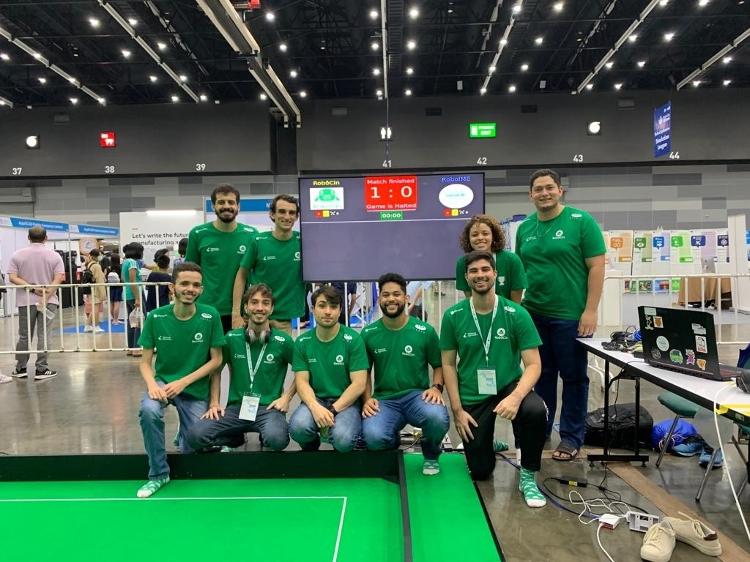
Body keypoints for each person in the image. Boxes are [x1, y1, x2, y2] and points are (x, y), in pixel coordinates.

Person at [440, 251, 547, 507]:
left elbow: (533, 365)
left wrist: (516, 397)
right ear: (466, 277)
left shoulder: (516, 313)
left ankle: (528, 477)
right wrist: (457, 409)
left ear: (495, 274)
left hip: (508, 384)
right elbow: (447, 364)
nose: (480, 275)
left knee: (534, 410)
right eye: (474, 271)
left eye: (485, 269)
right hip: (472, 390)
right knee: (480, 471)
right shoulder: (453, 316)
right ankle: (488, 444)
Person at [515, 169, 606, 461]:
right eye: (538, 189)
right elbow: (521, 271)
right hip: (534, 314)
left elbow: (596, 267)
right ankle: (541, 428)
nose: (544, 193)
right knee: (540, 376)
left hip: (570, 317)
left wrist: (590, 310)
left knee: (574, 378)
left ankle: (570, 437)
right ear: (530, 195)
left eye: (549, 188)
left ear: (560, 190)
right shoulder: (526, 228)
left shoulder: (581, 222)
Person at [136, 262, 225, 498]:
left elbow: (216, 360)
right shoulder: (155, 317)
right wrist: (153, 386)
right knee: (149, 411)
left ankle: (185, 433)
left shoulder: (210, 315)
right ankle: (158, 474)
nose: (190, 289)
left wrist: (184, 382)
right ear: (172, 287)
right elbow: (144, 362)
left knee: (193, 444)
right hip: (163, 384)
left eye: (196, 285)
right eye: (184, 283)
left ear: (202, 290)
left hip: (194, 388)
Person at [187, 283, 295, 452]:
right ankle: (235, 437)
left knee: (277, 439)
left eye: (265, 303)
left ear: (272, 309)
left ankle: (262, 433)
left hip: (268, 408)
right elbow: (216, 369)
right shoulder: (231, 338)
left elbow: (303, 372)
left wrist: (286, 398)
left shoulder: (284, 341)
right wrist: (214, 403)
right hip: (236, 408)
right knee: (195, 436)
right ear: (245, 307)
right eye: (254, 302)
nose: (259, 308)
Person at [361, 273, 448, 475]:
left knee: (437, 418)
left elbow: (439, 365)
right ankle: (391, 441)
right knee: (373, 437)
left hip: (417, 397)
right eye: (385, 295)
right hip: (385, 400)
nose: (391, 299)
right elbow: (364, 373)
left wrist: (436, 388)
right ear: (380, 299)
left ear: (406, 297)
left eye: (396, 294)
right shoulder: (368, 333)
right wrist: (367, 399)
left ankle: (431, 454)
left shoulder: (424, 331)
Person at [289, 285, 368, 452]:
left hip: (348, 403)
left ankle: (347, 434)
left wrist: (332, 410)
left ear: (340, 311)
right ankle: (311, 447)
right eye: (322, 305)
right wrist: (314, 406)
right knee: (298, 428)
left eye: (333, 307)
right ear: (313, 309)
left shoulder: (353, 340)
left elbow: (359, 384)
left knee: (342, 440)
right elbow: (301, 382)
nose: (327, 311)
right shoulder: (302, 342)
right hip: (316, 399)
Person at [186, 184, 257, 333]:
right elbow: (189, 273)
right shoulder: (198, 234)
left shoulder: (251, 235)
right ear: (213, 206)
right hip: (205, 310)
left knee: (235, 356)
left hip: (240, 313)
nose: (226, 206)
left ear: (238, 206)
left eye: (231, 202)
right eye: (221, 202)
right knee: (207, 356)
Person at [232, 194, 304, 335]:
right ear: (272, 214)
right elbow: (241, 276)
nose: (287, 216)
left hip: (283, 320)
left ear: (296, 217)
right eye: (282, 211)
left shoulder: (303, 242)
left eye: (292, 213)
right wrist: (236, 314)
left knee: (281, 357)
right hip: (255, 316)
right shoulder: (258, 241)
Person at [7, 225, 65, 381]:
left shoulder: (17, 255)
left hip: (25, 301)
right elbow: (58, 278)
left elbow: (12, 277)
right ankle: (41, 368)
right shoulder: (54, 256)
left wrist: (33, 289)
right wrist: (46, 296)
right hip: (50, 301)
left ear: (28, 237)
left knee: (24, 335)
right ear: (46, 238)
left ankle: (21, 368)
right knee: (44, 334)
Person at [455, 214, 526, 303]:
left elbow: (516, 305)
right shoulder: (462, 263)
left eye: (485, 234)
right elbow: (470, 301)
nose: (480, 238)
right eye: (474, 235)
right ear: (468, 238)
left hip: (507, 315)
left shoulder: (512, 260)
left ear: (493, 236)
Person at [122, 242, 145, 357]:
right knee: (139, 320)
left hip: (126, 293)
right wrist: (137, 297)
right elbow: (133, 281)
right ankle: (137, 348)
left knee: (131, 321)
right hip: (135, 293)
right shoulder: (132, 262)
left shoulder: (125, 262)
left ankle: (131, 348)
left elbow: (125, 279)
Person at [82, 249, 107, 333]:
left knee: (93, 309)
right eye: (100, 255)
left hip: (91, 289)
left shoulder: (89, 264)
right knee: (96, 309)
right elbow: (99, 280)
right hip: (96, 290)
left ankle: (88, 325)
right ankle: (96, 326)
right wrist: (103, 294)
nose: (101, 256)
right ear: (95, 256)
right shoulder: (96, 266)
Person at [105, 253, 122, 324]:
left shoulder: (108, 268)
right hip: (118, 287)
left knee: (111, 303)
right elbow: (122, 278)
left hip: (110, 287)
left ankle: (114, 319)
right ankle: (116, 319)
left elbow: (105, 278)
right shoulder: (121, 267)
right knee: (117, 303)